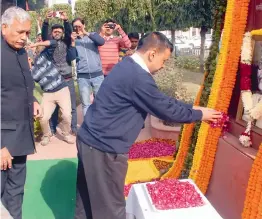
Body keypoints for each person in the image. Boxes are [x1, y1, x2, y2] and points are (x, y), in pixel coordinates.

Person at [74, 32, 222, 219]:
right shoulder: (138, 77)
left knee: (86, 203)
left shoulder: (128, 65)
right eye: (164, 60)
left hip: (90, 141)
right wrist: (200, 114)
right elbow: (165, 109)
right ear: (152, 54)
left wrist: (191, 107)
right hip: (104, 149)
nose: (163, 66)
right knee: (111, 210)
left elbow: (160, 100)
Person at [1, 7, 42, 219]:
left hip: (21, 136)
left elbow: (23, 85)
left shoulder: (20, 51)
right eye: (20, 32)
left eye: (27, 33)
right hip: (3, 143)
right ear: (4, 28)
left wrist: (33, 100)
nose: (25, 38)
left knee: (16, 193)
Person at [31, 35, 77, 146]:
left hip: (62, 89)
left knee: (67, 115)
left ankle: (66, 134)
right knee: (43, 117)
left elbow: (53, 43)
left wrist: (36, 44)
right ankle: (47, 135)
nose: (30, 54)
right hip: (48, 94)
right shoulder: (29, 71)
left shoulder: (44, 56)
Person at [41, 10, 78, 136]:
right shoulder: (49, 44)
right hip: (54, 81)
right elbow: (44, 35)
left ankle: (73, 128)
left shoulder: (66, 43)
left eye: (59, 31)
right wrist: (46, 21)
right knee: (54, 108)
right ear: (52, 33)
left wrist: (66, 20)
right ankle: (52, 128)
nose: (57, 33)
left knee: (71, 107)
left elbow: (69, 33)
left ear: (62, 33)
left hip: (67, 80)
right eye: (55, 31)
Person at [72, 17, 105, 117]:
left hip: (97, 75)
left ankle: (101, 125)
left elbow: (101, 42)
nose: (77, 28)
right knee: (86, 104)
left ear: (84, 25)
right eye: (75, 27)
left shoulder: (92, 35)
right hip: (83, 76)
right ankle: (88, 128)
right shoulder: (73, 40)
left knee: (100, 102)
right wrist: (71, 42)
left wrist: (85, 32)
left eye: (79, 26)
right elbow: (71, 56)